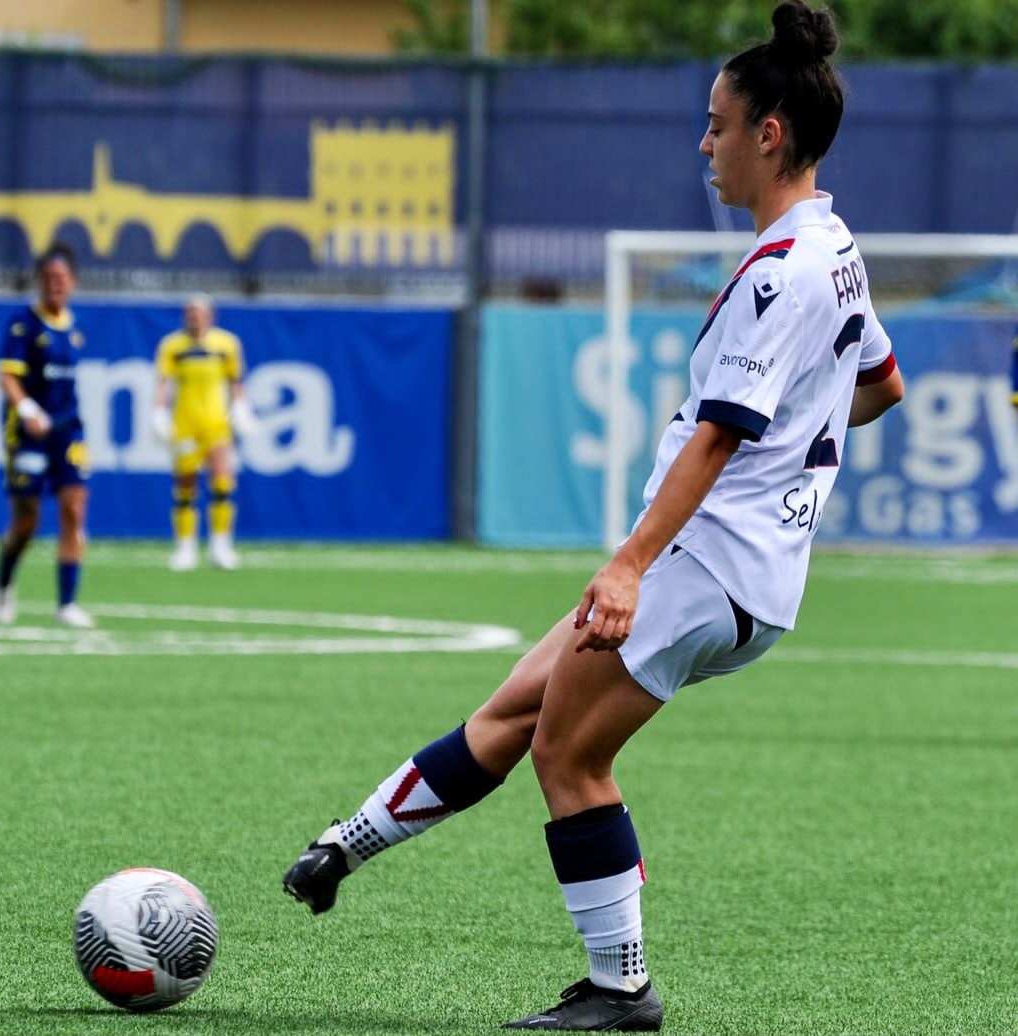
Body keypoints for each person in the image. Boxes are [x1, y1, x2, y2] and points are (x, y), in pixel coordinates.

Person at [282, 2, 905, 1030]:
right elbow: (880, 382)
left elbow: (716, 438)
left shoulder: (783, 275)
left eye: (715, 122)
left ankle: (622, 988)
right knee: (518, 709)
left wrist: (629, 565)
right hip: (747, 569)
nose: (702, 142)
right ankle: (342, 847)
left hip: (704, 563)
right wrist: (802, 450)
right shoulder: (834, 248)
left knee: (568, 756)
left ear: (769, 133)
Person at [0, 242, 95, 630]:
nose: (56, 285)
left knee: (73, 509)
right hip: (29, 433)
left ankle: (67, 603)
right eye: (49, 278)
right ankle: (3, 581)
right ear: (39, 281)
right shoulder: (24, 324)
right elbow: (6, 375)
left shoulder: (75, 327)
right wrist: (27, 408)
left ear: (74, 282)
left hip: (68, 430)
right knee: (27, 521)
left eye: (62, 278)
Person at [151, 294, 256, 571]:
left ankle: (221, 545)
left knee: (222, 482)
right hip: (185, 424)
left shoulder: (227, 344)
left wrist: (242, 406)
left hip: (215, 424)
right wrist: (159, 413)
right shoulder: (172, 345)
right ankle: (185, 547)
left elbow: (236, 381)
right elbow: (163, 382)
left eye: (199, 315)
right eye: (190, 315)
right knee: (185, 486)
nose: (194, 320)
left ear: (210, 316)